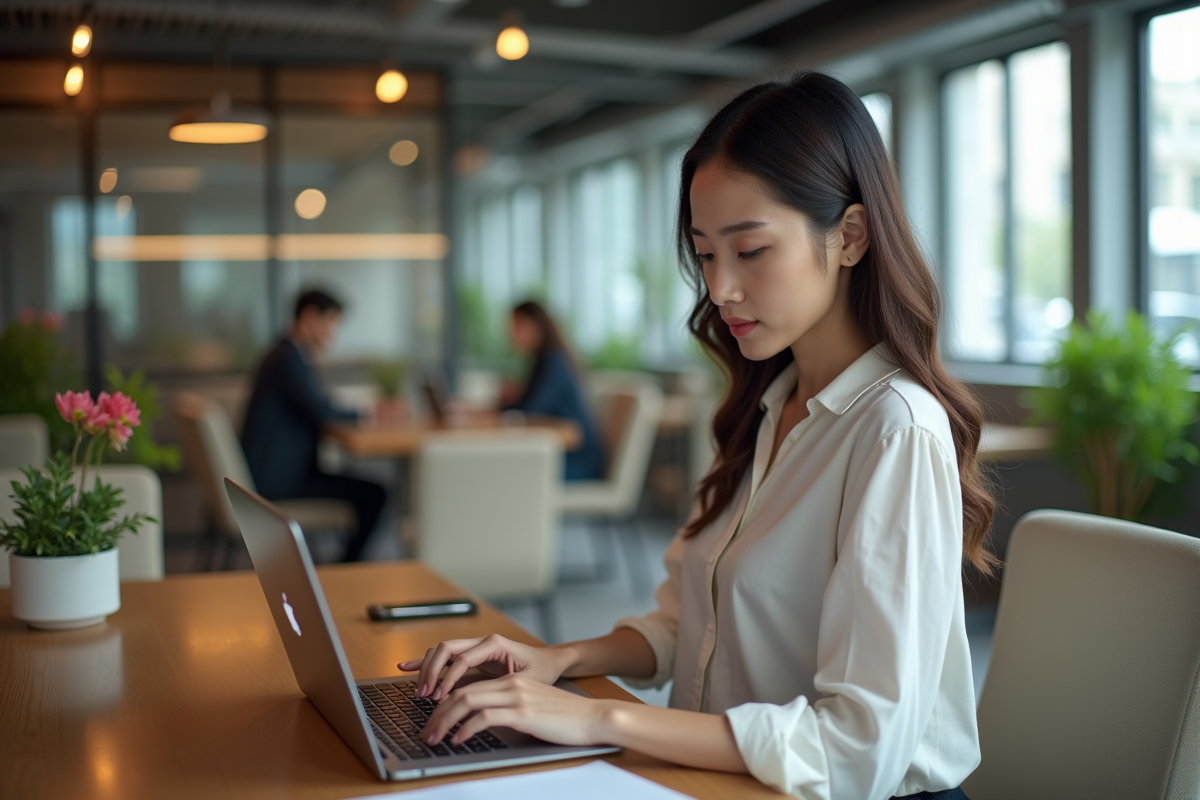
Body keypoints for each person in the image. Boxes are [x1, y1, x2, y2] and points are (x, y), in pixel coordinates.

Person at [397, 72, 995, 800]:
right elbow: (688, 629)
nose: (719, 290)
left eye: (750, 251)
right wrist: (552, 661)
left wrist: (598, 718)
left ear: (849, 236)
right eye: (707, 254)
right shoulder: (768, 409)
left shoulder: (893, 430)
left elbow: (856, 748)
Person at [241, 289, 386, 563]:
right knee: (376, 494)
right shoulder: (288, 359)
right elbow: (322, 411)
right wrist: (369, 413)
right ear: (310, 318)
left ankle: (343, 567)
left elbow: (318, 406)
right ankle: (345, 570)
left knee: (366, 487)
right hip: (278, 482)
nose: (334, 332)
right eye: (331, 322)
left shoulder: (284, 354)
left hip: (275, 473)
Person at [501, 300, 605, 481]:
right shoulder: (544, 361)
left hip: (577, 464)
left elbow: (530, 411)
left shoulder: (553, 363)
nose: (512, 334)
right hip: (562, 456)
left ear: (536, 326)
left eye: (517, 326)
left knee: (507, 472)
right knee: (504, 467)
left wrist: (504, 404)